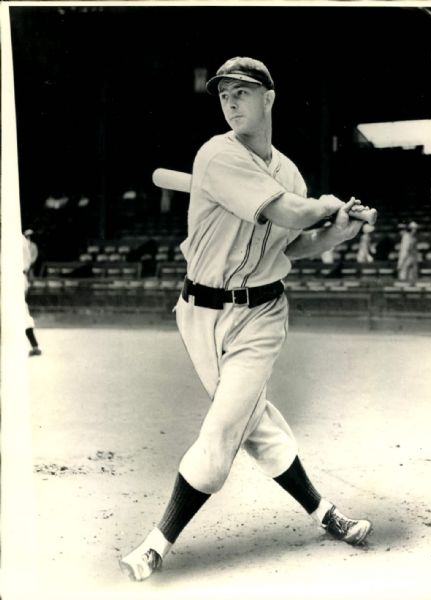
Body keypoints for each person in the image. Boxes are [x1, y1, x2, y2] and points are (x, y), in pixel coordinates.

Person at [120, 57, 373, 582]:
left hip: (261, 315)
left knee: (223, 429)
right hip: (198, 315)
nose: (231, 101)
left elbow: (297, 243)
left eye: (243, 91)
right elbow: (290, 213)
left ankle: (155, 543)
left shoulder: (287, 173)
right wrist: (324, 204)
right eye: (224, 94)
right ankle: (326, 513)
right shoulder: (216, 155)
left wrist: (337, 231)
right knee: (253, 423)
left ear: (269, 99)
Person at [23, 230, 42, 357]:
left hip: (18, 275)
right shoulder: (22, 241)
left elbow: (30, 260)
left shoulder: (21, 241)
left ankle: (34, 346)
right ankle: (34, 345)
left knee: (21, 311)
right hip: (20, 276)